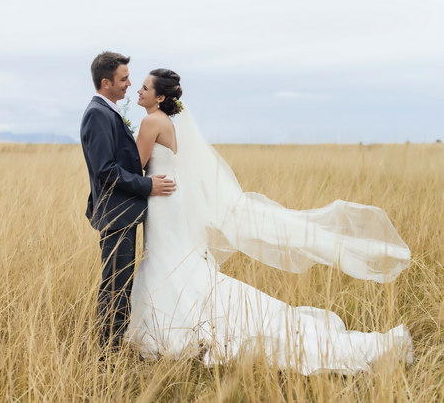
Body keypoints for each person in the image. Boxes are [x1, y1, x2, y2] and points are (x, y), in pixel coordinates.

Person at [124, 68, 414, 373]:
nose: (139, 92)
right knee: (178, 261)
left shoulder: (151, 121)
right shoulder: (169, 122)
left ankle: (171, 332)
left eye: (144, 88)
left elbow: (135, 166)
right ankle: (179, 326)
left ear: (160, 96)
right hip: (172, 198)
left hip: (161, 198)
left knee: (165, 259)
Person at [80, 52, 176, 351]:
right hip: (116, 212)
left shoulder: (107, 111)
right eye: (123, 79)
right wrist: (147, 184)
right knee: (116, 284)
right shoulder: (98, 113)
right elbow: (105, 170)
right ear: (106, 82)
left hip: (122, 211)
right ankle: (108, 353)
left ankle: (115, 345)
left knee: (120, 281)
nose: (129, 85)